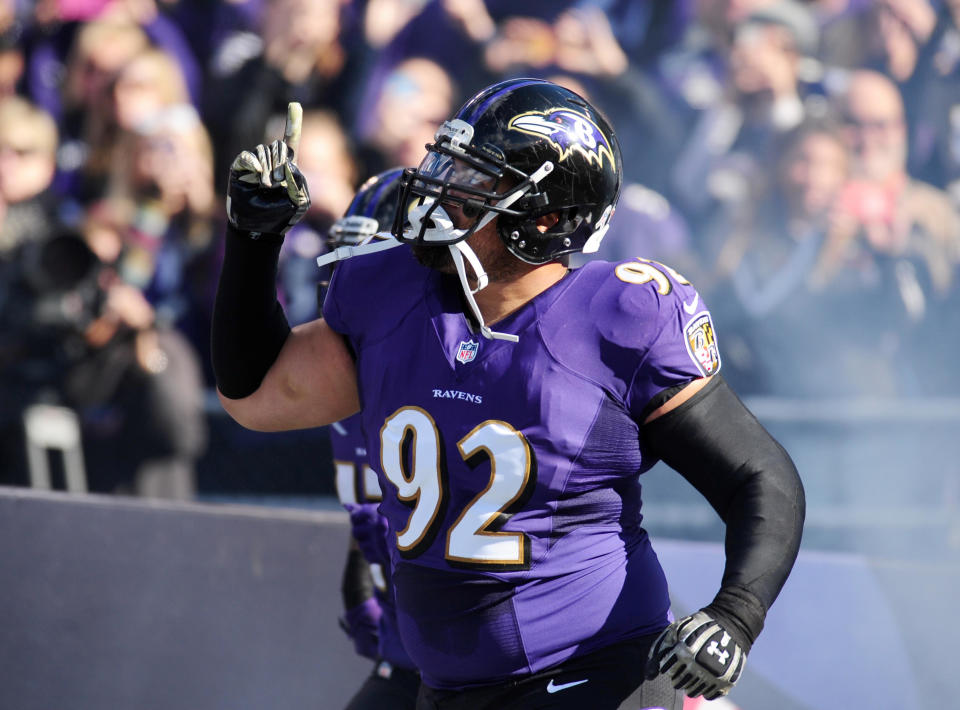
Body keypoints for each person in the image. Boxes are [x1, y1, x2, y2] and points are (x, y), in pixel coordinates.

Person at [212, 81, 805, 708]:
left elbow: (760, 475)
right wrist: (253, 240)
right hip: (448, 687)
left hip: (593, 675)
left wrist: (735, 616)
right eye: (447, 164)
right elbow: (257, 395)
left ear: (543, 218)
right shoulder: (391, 292)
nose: (441, 193)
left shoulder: (618, 317)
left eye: (473, 181)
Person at [321, 168, 420, 710]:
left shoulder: (455, 379)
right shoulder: (345, 378)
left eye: (367, 269)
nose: (343, 288)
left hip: (506, 663)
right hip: (415, 651)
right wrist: (363, 567)